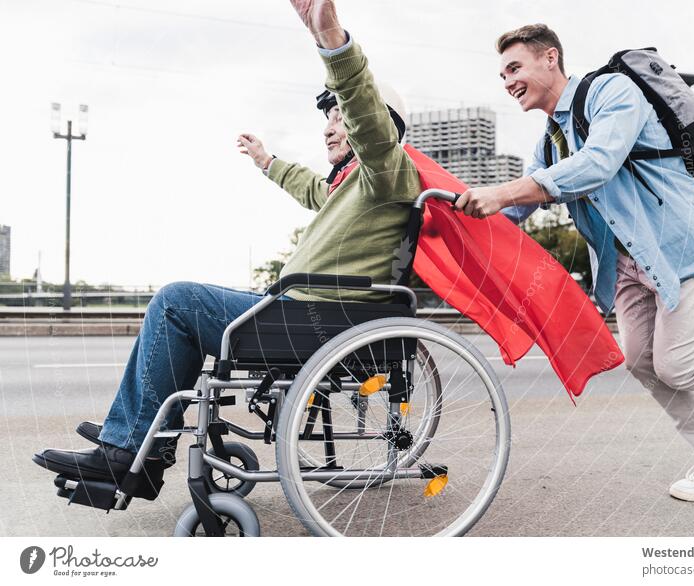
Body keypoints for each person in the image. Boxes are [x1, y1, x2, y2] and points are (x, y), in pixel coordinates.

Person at [33, 0, 420, 483]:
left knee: (177, 301)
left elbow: (366, 114)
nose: (328, 127)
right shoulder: (354, 188)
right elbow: (311, 189)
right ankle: (141, 438)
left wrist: (331, 40)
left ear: (379, 126)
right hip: (299, 311)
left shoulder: (387, 168)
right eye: (329, 118)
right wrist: (267, 161)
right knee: (185, 312)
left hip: (311, 319)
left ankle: (130, 445)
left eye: (340, 118)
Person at [454, 24, 694, 502]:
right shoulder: (551, 139)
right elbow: (516, 205)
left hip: (678, 246)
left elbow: (598, 163)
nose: (508, 81)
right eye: (502, 74)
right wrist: (452, 213)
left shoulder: (611, 91)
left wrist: (503, 193)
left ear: (549, 58)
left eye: (514, 67)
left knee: (678, 366)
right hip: (625, 265)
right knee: (640, 361)